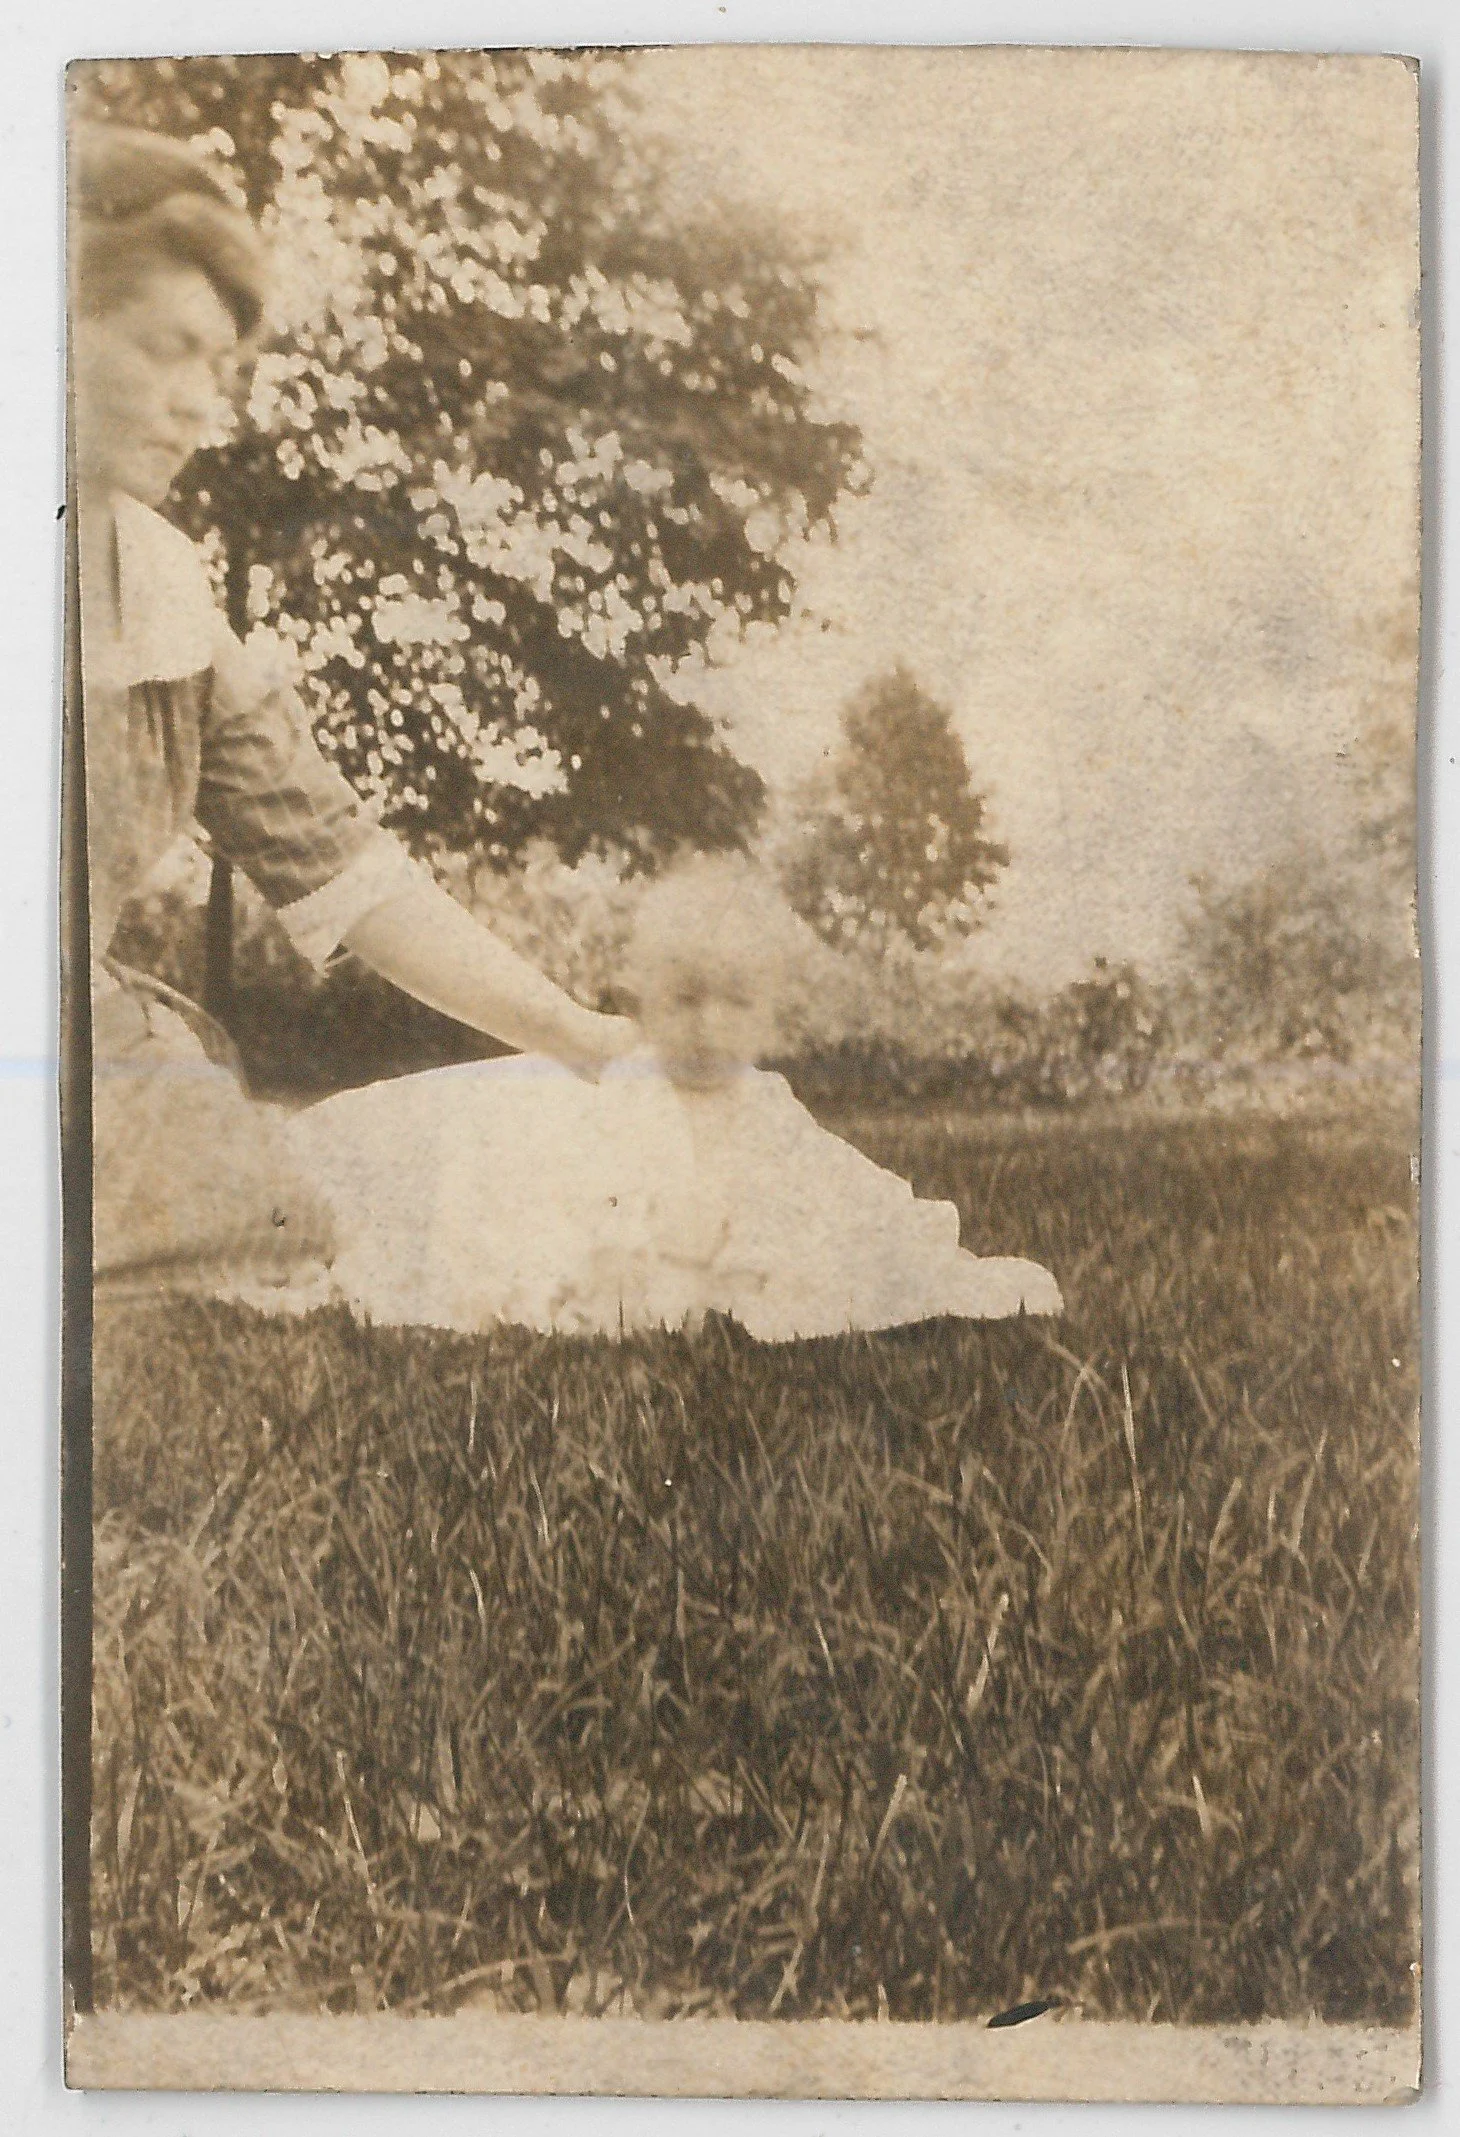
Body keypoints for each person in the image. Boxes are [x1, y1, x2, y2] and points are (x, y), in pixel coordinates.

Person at [68, 122, 636, 1293]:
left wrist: (578, 1034)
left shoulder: (164, 605)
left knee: (256, 1215)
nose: (194, 406)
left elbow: (346, 870)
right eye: (165, 349)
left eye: (216, 372)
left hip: (65, 1039)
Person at [269, 856, 1064, 1340]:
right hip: (646, 1260)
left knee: (851, 1251)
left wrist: (878, 1246)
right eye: (684, 999)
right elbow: (588, 1201)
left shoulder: (768, 1102)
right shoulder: (629, 1092)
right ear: (643, 1000)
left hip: (722, 1256)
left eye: (736, 1002)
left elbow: (828, 1180)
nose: (710, 1025)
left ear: (769, 1013)